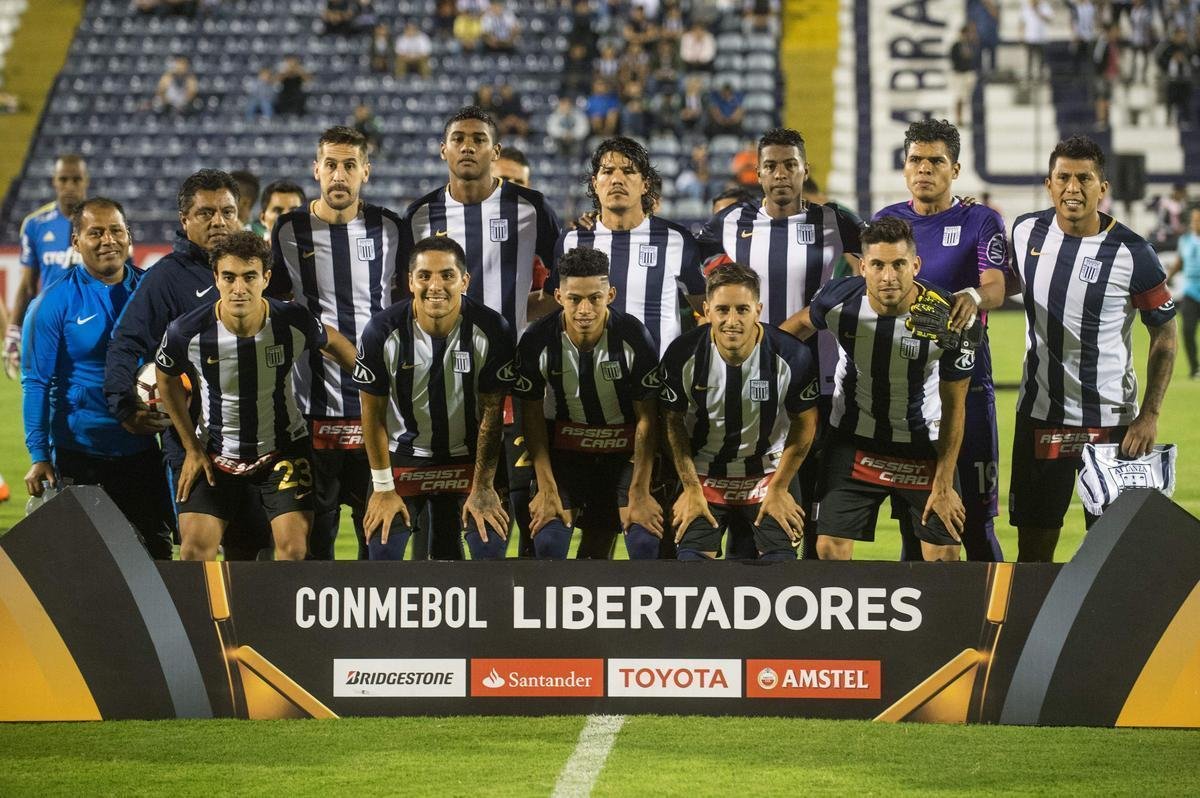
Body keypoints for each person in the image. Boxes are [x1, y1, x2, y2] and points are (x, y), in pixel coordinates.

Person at [401, 106, 562, 558]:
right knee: (440, 513)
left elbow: (560, 285)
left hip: (514, 380)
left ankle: (524, 613)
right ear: (443, 150)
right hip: (440, 385)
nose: (467, 146)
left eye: (477, 138)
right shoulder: (420, 215)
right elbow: (405, 298)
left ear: (495, 150)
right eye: (458, 138)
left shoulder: (531, 208)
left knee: (519, 500)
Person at [1010, 136, 1177, 561]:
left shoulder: (1134, 253)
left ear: (1103, 187)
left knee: (1113, 556)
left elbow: (1165, 335)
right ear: (1049, 184)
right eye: (1063, 177)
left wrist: (1150, 415)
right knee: (1034, 546)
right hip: (1040, 418)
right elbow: (1003, 282)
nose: (1072, 187)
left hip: (1112, 425)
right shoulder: (1025, 231)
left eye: (1084, 178)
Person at [698, 127, 863, 558]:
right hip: (752, 386)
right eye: (771, 165)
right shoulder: (729, 224)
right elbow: (700, 287)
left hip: (822, 382)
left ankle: (814, 603)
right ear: (759, 172)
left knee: (813, 506)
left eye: (791, 164)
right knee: (748, 499)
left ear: (805, 169)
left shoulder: (837, 219)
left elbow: (881, 258)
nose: (782, 174)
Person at [782, 216, 973, 562]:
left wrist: (944, 485)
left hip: (923, 446)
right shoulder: (837, 301)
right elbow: (790, 333)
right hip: (853, 441)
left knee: (945, 558)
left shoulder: (948, 319)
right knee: (827, 551)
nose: (888, 277)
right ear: (863, 268)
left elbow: (955, 406)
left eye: (899, 264)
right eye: (878, 265)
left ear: (915, 265)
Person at [156, 232, 357, 561]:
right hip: (216, 455)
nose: (239, 289)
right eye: (229, 277)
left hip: (282, 452)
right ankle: (211, 615)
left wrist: (369, 380)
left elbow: (332, 341)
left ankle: (275, 614)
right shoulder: (186, 331)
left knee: (293, 551)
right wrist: (191, 447)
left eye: (249, 277)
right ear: (216, 279)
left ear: (265, 278)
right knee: (193, 553)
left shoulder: (291, 320)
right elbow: (165, 380)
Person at [104, 169, 271, 561]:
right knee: (197, 551)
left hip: (262, 439)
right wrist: (124, 404)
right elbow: (126, 343)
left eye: (227, 211)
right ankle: (196, 625)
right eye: (206, 213)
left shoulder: (261, 269)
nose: (218, 222)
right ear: (185, 221)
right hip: (194, 443)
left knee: (256, 553)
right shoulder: (165, 279)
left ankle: (246, 625)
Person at [873, 119, 1010, 562]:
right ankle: (919, 629)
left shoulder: (980, 220)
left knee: (974, 518)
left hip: (968, 384)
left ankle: (999, 623)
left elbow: (996, 285)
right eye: (916, 159)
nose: (925, 168)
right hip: (906, 391)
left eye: (936, 161)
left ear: (956, 168)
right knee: (915, 521)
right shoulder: (886, 222)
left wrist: (972, 294)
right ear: (905, 166)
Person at [266, 126, 404, 561]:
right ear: (316, 169)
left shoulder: (390, 228)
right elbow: (278, 306)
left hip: (377, 408)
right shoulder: (288, 230)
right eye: (330, 165)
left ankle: (374, 630)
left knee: (377, 540)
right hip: (312, 411)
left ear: (366, 170)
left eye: (349, 165)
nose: (339, 175)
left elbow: (403, 307)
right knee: (314, 544)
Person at [21, 198, 174, 559]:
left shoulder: (151, 292)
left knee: (157, 556)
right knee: (86, 564)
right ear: (75, 242)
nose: (108, 240)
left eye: (116, 230)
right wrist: (39, 454)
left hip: (142, 450)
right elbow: (36, 382)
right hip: (80, 452)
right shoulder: (53, 303)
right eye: (96, 233)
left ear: (129, 236)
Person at [355, 236, 514, 560]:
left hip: (469, 457)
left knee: (489, 547)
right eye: (425, 275)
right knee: (383, 549)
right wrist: (383, 488)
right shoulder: (381, 331)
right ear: (410, 281)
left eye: (447, 275)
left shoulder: (491, 328)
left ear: (465, 281)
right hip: (404, 456)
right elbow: (372, 416)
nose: (435, 285)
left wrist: (483, 485)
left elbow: (492, 414)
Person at [660, 262, 819, 560]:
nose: (732, 320)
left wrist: (780, 487)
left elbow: (805, 422)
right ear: (706, 310)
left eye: (742, 310)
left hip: (769, 471)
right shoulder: (682, 355)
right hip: (705, 471)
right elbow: (672, 423)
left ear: (758, 310)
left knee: (778, 565)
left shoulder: (791, 355)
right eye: (722, 310)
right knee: (691, 566)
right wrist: (691, 488)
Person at [515, 247, 663, 559]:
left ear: (610, 294)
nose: (585, 308)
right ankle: (549, 606)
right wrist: (546, 488)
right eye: (574, 299)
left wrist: (639, 491)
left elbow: (648, 417)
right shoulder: (537, 340)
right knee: (548, 540)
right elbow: (530, 415)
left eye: (594, 298)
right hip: (565, 450)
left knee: (643, 539)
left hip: (622, 452)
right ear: (558, 296)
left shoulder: (633, 336)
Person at [556, 137, 704, 357]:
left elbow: (707, 308)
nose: (617, 179)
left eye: (628, 171)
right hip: (587, 382)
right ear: (595, 183)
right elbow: (552, 305)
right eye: (607, 172)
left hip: (658, 382)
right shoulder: (571, 240)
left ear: (645, 184)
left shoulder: (677, 240)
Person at [5, 154, 88, 380]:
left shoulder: (103, 221)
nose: (69, 186)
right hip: (49, 328)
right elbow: (27, 285)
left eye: (76, 179)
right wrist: (13, 332)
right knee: (48, 403)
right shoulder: (35, 225)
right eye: (63, 179)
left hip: (93, 326)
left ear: (86, 181)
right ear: (54, 181)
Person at [1168, 207, 1200, 378]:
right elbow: (1180, 262)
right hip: (1191, 292)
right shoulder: (1185, 240)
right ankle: (1195, 368)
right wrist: (1167, 279)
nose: (1196, 224)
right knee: (1188, 330)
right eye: (1194, 220)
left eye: (1198, 221)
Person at [948, 25, 977, 127]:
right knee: (959, 97)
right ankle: (959, 118)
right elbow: (953, 60)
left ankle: (967, 117)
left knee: (967, 97)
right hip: (959, 74)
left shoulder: (972, 45)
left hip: (968, 73)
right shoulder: (956, 46)